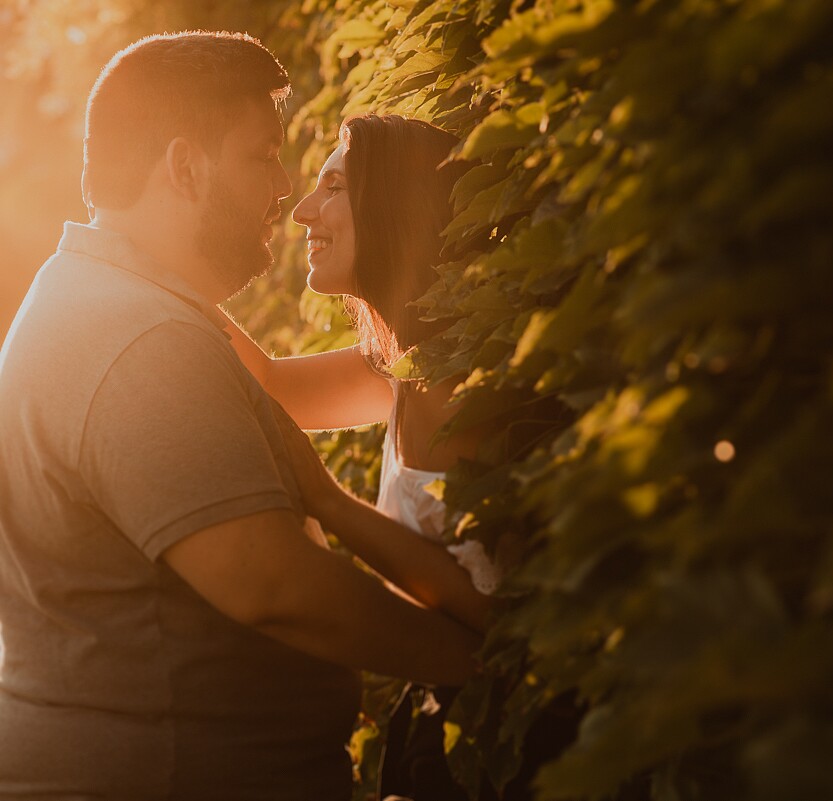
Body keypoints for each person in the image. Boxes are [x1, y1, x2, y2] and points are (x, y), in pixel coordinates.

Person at [0, 32, 483, 801]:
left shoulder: (113, 303)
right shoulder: (140, 337)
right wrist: (479, 659)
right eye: (264, 155)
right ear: (185, 167)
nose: (286, 190)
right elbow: (272, 586)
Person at [227, 114, 577, 801]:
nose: (303, 209)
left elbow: (497, 613)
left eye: (332, 187)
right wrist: (150, 269)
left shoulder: (457, 391)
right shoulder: (400, 363)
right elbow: (266, 387)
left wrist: (326, 498)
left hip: (519, 749)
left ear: (392, 207)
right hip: (452, 726)